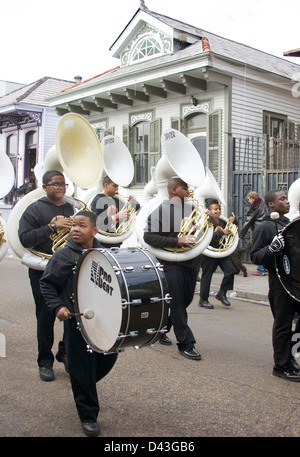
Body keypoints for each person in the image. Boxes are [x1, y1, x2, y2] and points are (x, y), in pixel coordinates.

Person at [40, 211, 118, 436]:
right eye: (73, 225)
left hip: (103, 320)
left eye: (82, 226)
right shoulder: (63, 256)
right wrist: (58, 307)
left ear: (94, 230)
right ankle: (88, 415)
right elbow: (47, 285)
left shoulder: (105, 255)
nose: (75, 229)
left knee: (108, 359)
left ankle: (80, 383)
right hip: (77, 321)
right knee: (83, 367)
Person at [18, 170, 74, 382]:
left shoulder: (70, 208)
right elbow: (25, 239)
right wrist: (53, 226)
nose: (60, 188)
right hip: (42, 271)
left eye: (63, 184)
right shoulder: (34, 209)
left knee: (71, 316)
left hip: (67, 269)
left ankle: (65, 352)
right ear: (45, 187)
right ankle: (44, 362)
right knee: (45, 318)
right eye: (56, 184)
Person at [143, 177, 203, 360]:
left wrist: (213, 222)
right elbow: (148, 236)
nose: (188, 191)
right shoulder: (161, 210)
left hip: (191, 263)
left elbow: (203, 230)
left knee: (185, 301)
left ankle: (161, 330)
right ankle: (186, 343)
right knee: (177, 304)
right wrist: (177, 240)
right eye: (185, 189)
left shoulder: (191, 209)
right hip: (172, 264)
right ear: (174, 190)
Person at [250, 189, 300, 382]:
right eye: (283, 199)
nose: (287, 202)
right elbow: (255, 256)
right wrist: (271, 249)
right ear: (271, 205)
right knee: (283, 325)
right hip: (279, 283)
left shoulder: (288, 224)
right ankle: (281, 366)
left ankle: (292, 356)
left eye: (287, 198)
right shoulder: (265, 227)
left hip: (294, 281)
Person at [198, 199, 235, 309]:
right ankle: (203, 299)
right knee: (207, 276)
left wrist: (233, 222)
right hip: (209, 254)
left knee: (230, 271)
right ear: (209, 211)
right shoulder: (205, 223)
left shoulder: (222, 221)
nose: (218, 211)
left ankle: (222, 293)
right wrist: (222, 232)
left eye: (219, 209)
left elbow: (231, 231)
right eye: (215, 209)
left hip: (222, 252)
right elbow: (206, 239)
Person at [90, 175, 140, 248]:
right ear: (106, 185)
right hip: (102, 243)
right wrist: (116, 217)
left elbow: (135, 210)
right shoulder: (98, 200)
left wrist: (133, 202)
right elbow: (96, 221)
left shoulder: (117, 199)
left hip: (116, 241)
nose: (117, 189)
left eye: (117, 187)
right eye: (114, 186)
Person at [239, 191, 268, 276]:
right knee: (265, 248)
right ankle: (265, 268)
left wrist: (241, 235)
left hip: (258, 229)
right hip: (266, 228)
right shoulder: (263, 203)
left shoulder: (255, 206)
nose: (249, 201)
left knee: (258, 248)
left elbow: (248, 221)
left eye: (249, 199)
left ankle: (260, 270)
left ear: (252, 199)